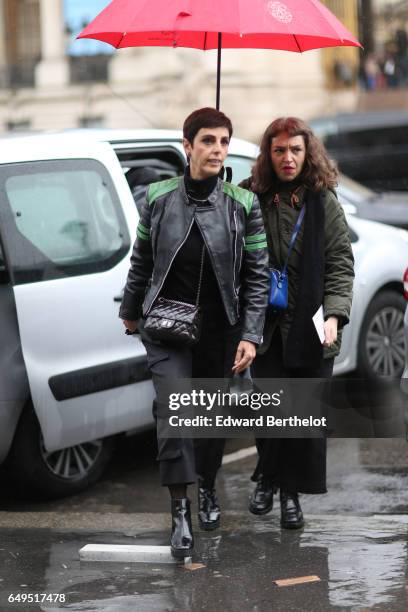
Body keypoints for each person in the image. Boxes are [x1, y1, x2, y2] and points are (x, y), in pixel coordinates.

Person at [119, 107, 269, 558]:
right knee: (174, 414)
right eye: (208, 141)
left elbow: (258, 275)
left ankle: (206, 488)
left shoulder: (244, 204)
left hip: (221, 329)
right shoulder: (159, 198)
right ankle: (180, 508)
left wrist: (251, 334)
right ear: (187, 146)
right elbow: (142, 261)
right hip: (167, 325)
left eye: (224, 141)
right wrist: (130, 310)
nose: (218, 150)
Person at [240, 117, 354, 530]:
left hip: (311, 323)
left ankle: (285, 494)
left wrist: (335, 315)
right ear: (268, 155)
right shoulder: (250, 197)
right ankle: (271, 480)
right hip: (265, 327)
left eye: (295, 150)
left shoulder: (322, 200)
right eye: (279, 150)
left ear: (308, 154)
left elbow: (341, 262)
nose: (287, 158)